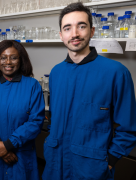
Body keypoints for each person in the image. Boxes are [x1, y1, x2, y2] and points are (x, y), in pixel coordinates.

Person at [42, 2, 136, 180]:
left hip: (91, 170)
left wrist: (109, 161)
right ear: (61, 35)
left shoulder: (116, 72)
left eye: (81, 26)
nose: (75, 34)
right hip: (55, 166)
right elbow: (56, 119)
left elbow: (128, 129)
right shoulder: (56, 72)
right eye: (68, 28)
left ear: (92, 31)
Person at [0, 40, 45, 180]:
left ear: (21, 60)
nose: (8, 62)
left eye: (13, 57)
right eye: (3, 57)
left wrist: (8, 144)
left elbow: (36, 121)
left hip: (21, 155)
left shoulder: (32, 86)